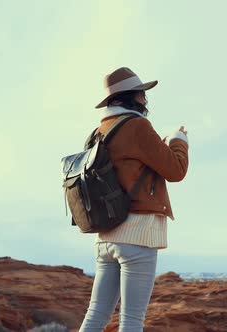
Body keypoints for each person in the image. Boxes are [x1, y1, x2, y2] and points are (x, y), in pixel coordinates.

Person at [79, 67, 189, 332]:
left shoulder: (100, 131)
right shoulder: (137, 125)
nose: (145, 98)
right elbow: (176, 170)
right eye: (142, 93)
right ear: (134, 97)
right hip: (137, 235)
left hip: (105, 236)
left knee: (95, 316)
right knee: (132, 320)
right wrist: (179, 141)